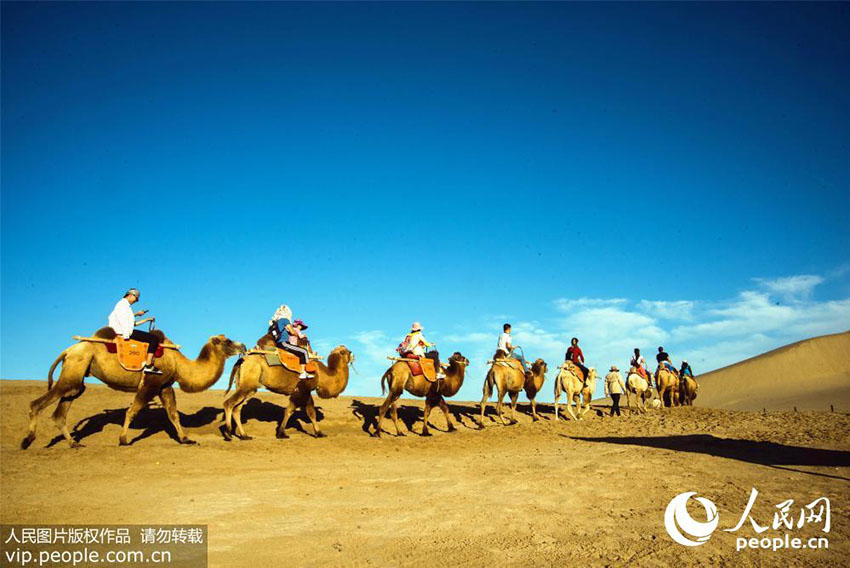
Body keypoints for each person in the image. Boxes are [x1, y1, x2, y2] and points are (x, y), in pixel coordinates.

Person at [107, 288, 162, 374]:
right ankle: (148, 365)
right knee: (154, 339)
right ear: (130, 295)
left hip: (126, 330)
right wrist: (126, 336)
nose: (136, 301)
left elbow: (132, 323)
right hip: (123, 331)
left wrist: (146, 319)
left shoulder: (124, 306)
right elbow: (123, 320)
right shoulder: (122, 305)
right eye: (136, 298)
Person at [269, 304, 314, 380]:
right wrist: (297, 333)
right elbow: (292, 332)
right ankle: (303, 373)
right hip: (284, 343)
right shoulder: (285, 320)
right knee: (304, 351)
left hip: (278, 343)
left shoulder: (276, 322)